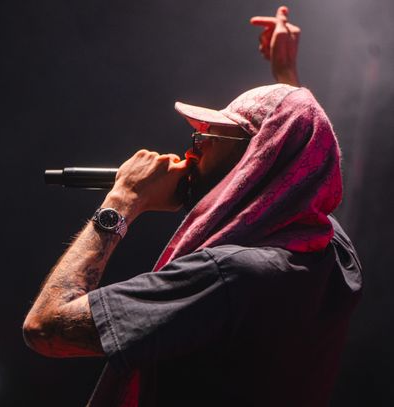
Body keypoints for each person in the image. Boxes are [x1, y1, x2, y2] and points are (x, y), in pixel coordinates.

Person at [23, 6, 362, 407]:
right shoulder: (334, 258)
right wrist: (287, 79)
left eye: (207, 138)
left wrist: (123, 200)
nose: (191, 151)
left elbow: (46, 327)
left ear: (257, 158)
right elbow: (303, 167)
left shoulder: (228, 275)